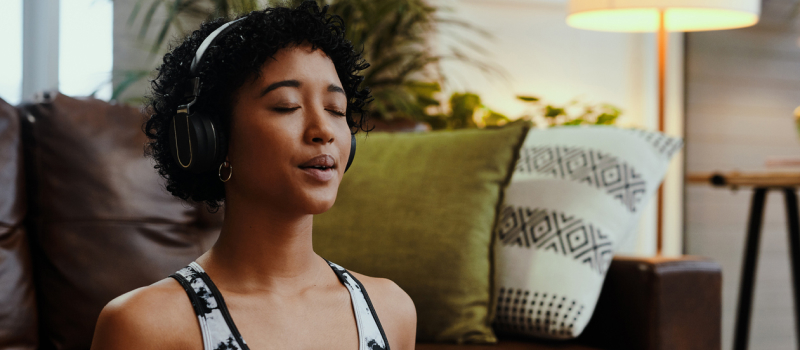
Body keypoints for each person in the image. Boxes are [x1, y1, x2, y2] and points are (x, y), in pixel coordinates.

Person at [90, 2, 417, 349]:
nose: (324, 130)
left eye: (336, 109)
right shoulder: (143, 326)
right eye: (286, 106)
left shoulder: (391, 310)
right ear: (212, 139)